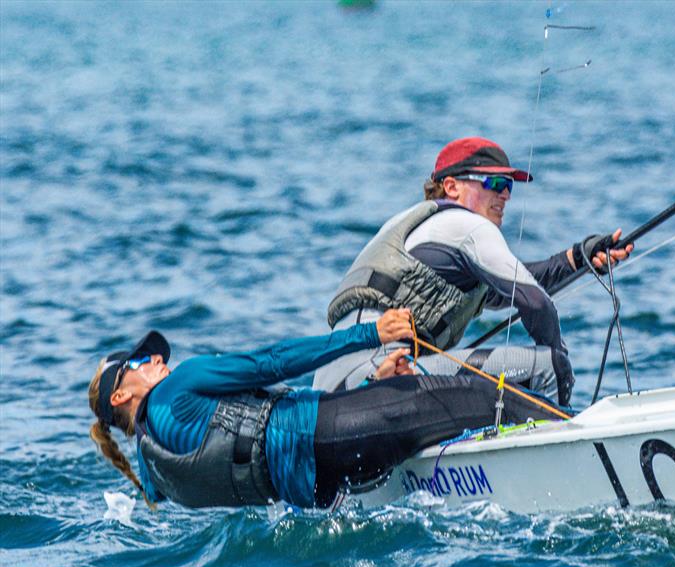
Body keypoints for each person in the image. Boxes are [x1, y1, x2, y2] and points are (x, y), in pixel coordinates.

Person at [88, 309, 561, 511]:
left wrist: (373, 386)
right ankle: (574, 435)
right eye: (141, 361)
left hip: (316, 485)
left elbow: (260, 438)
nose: (156, 360)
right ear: (119, 397)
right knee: (482, 396)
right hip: (328, 436)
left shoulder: (154, 472)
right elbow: (271, 362)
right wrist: (370, 334)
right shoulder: (182, 385)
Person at [313, 136, 633, 405]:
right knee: (547, 366)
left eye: (508, 186)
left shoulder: (421, 229)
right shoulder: (467, 225)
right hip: (377, 377)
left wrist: (578, 258)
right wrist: (560, 365)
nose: (505, 194)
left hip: (334, 396)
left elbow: (509, 286)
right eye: (494, 183)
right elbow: (534, 301)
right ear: (451, 186)